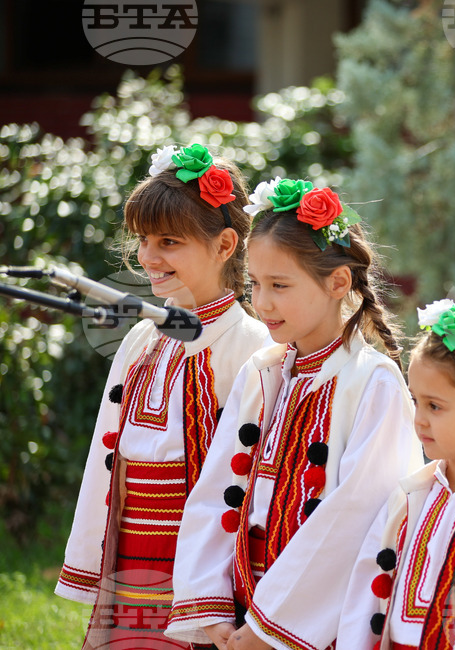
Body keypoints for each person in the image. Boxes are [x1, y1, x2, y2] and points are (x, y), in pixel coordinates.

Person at [164, 177, 423, 650]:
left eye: (279, 285)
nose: (261, 303)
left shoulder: (374, 383)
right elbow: (216, 489)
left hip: (314, 621)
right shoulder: (262, 371)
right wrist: (213, 602)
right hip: (245, 603)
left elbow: (353, 518)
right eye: (255, 284)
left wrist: (268, 630)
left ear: (337, 282)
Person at [55, 143, 271, 649]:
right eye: (144, 240)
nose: (149, 257)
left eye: (169, 241)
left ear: (224, 247)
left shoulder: (253, 348)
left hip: (198, 558)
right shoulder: (141, 338)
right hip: (129, 545)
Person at [337, 299, 455, 650]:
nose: (419, 419)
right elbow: (362, 597)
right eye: (415, 401)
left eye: (435, 406)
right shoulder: (410, 496)